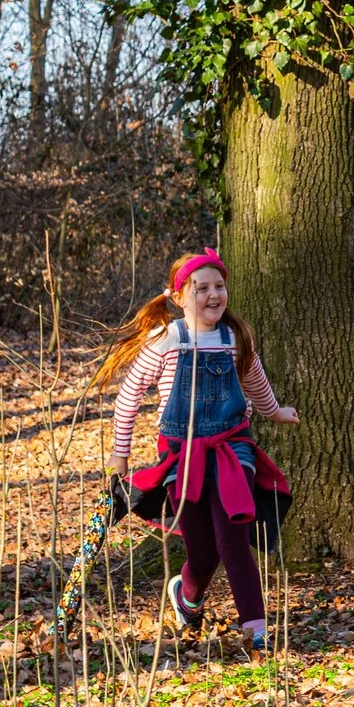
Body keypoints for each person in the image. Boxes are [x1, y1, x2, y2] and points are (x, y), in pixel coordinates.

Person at [94, 252, 299, 648]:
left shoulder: (235, 337)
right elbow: (129, 395)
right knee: (203, 551)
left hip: (232, 449)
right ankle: (187, 598)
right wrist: (119, 454)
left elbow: (254, 381)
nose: (212, 295)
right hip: (180, 454)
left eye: (218, 286)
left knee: (233, 540)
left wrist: (275, 412)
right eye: (200, 288)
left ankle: (256, 632)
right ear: (178, 296)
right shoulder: (167, 339)